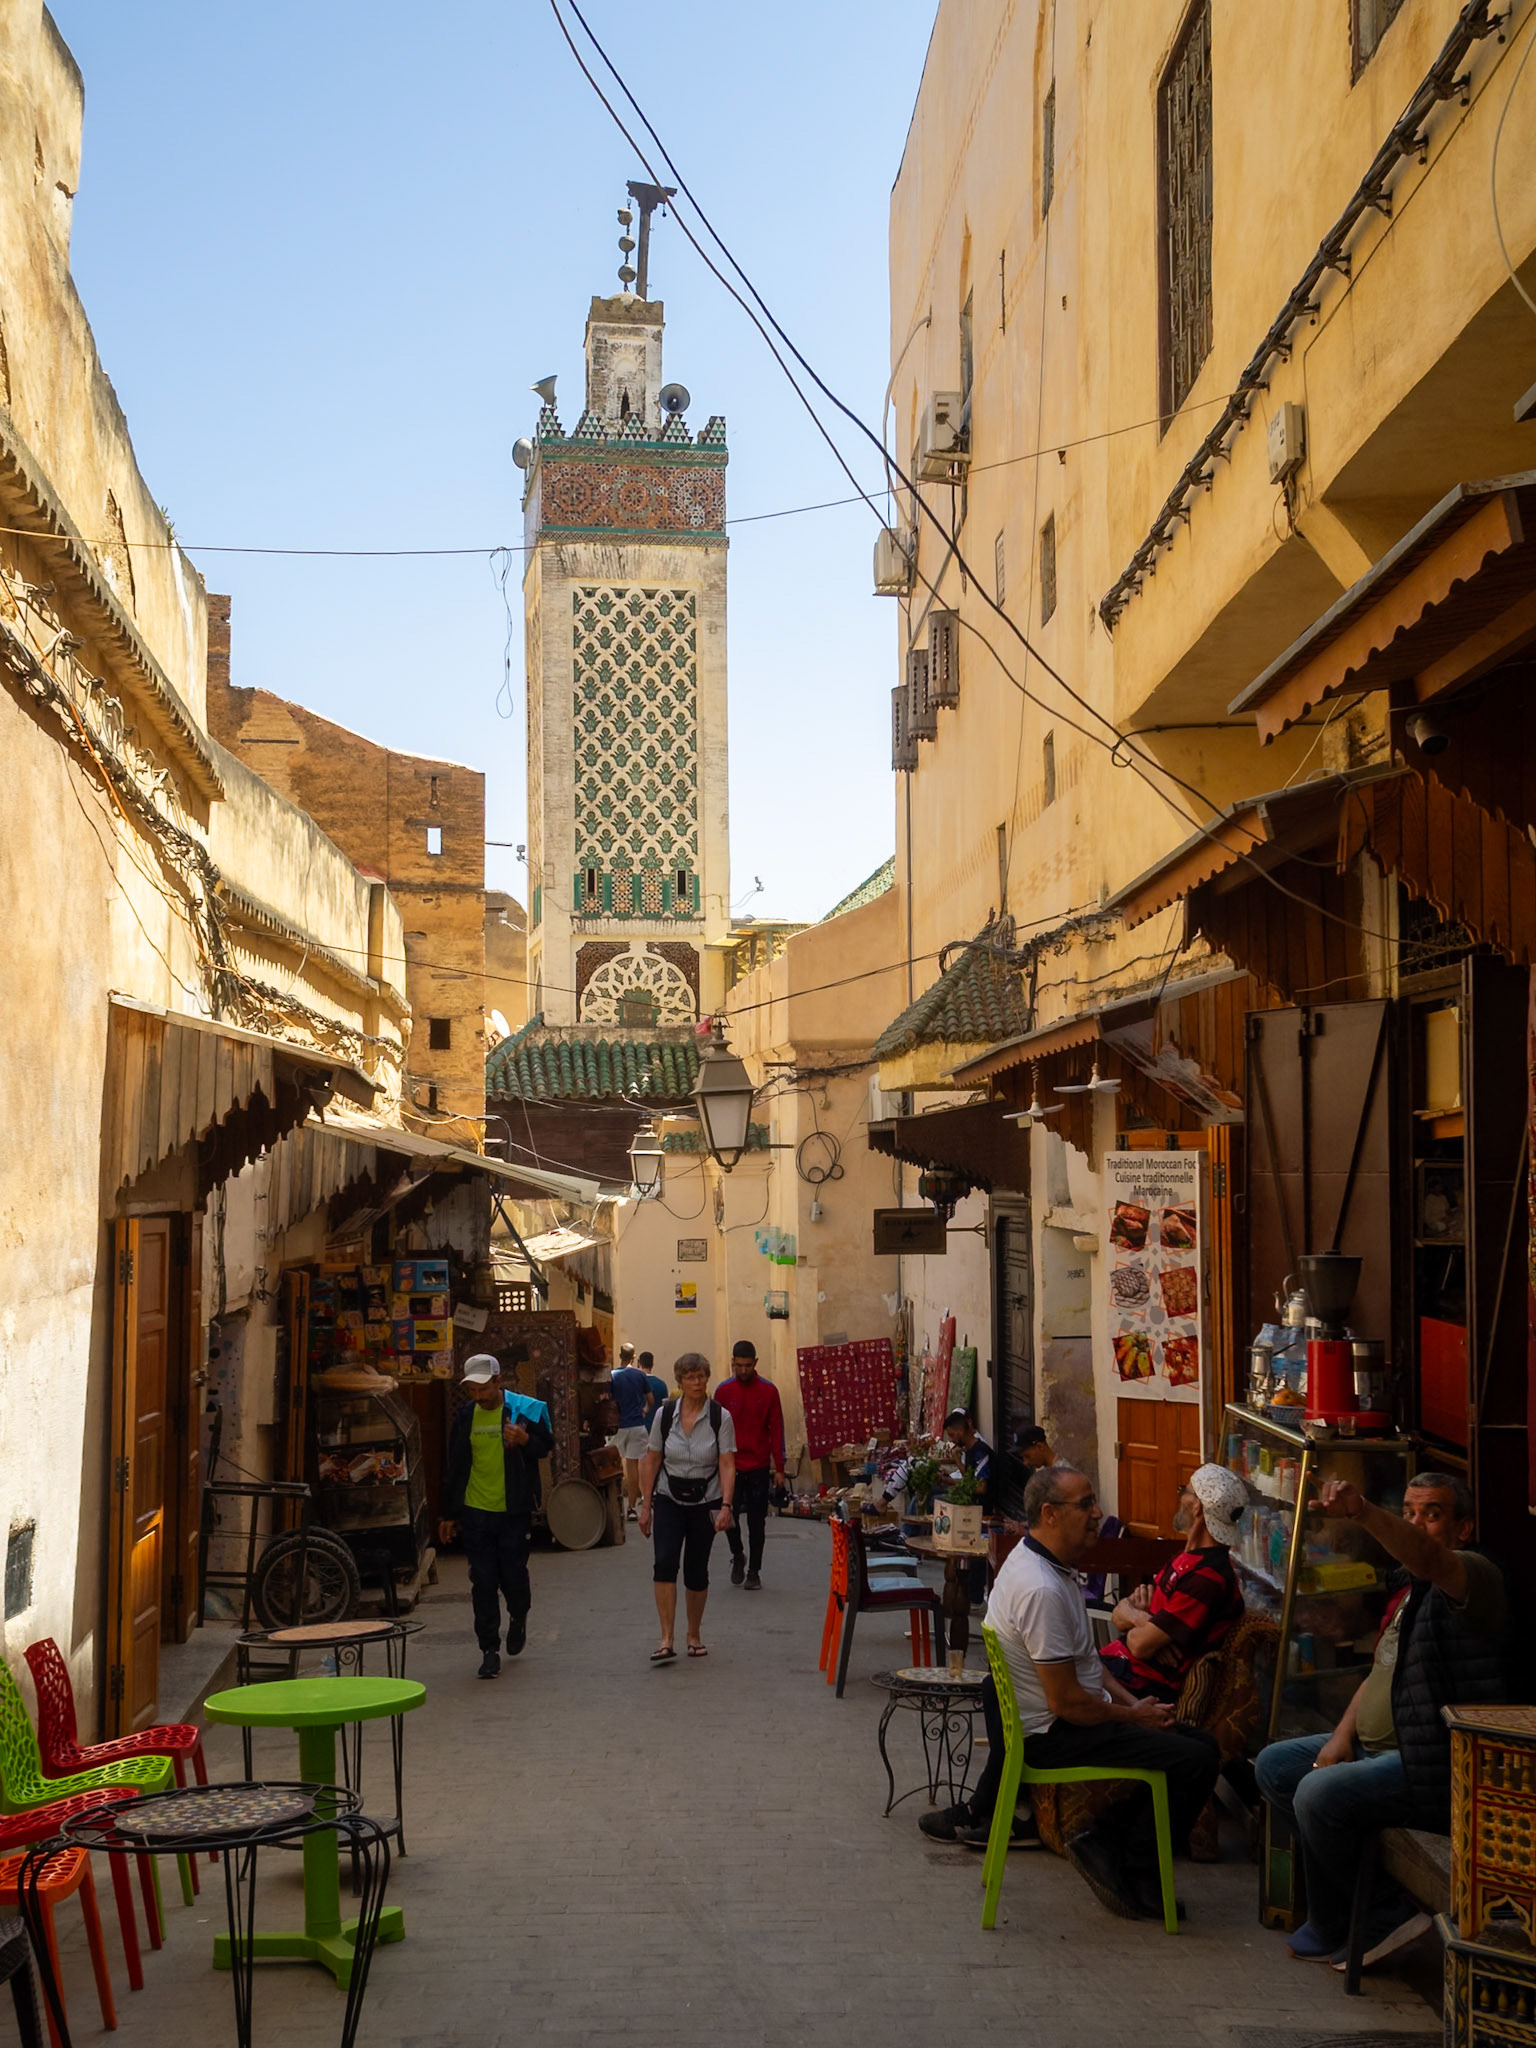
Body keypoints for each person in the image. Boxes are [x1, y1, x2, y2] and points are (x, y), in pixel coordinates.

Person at [926, 1463, 1220, 1919]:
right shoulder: (1040, 1589)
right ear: (1051, 1514)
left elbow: (1088, 1664)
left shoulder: (1041, 1564)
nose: (1097, 1512)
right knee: (1196, 1757)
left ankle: (1108, 1844)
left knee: (1196, 1743)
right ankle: (1130, 1867)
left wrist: (1132, 1703)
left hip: (1067, 1718)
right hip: (1055, 1734)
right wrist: (1132, 1717)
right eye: (1085, 1505)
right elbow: (1066, 1702)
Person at [1255, 1471, 1507, 1971]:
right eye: (1408, 1512)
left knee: (1318, 1794)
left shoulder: (1474, 1575)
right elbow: (1380, 1672)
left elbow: (1431, 1558)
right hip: (1375, 1751)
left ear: (1463, 1529)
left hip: (1432, 1764)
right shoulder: (1408, 1590)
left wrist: (1362, 1512)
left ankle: (1367, 1916)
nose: (1415, 1524)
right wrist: (1342, 1737)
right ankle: (1365, 1904)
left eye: (1431, 1515)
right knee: (1275, 1766)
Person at [439, 1354, 554, 1679]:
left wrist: (526, 1440)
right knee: (483, 1582)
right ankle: (489, 1649)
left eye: (483, 1389)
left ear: (498, 1382)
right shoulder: (465, 1417)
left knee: (513, 1576)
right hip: (477, 1512)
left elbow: (546, 1446)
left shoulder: (521, 1411)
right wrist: (449, 1513)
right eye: (473, 1390)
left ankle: (518, 1617)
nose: (478, 1396)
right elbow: (457, 1465)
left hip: (513, 1511)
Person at [1099, 1464, 1247, 1702]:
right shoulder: (1187, 1559)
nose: (1180, 1497)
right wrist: (1141, 1618)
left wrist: (1137, 1620)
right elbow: (1119, 1615)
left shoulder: (1207, 1579)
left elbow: (1138, 1644)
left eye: (1184, 1491)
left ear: (1197, 1506)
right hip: (1120, 1666)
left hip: (1140, 1684)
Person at [638, 1354, 736, 1661]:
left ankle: (693, 1634)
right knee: (665, 1561)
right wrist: (645, 1506)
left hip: (705, 1499)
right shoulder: (664, 1415)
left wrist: (726, 1505)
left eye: (701, 1377)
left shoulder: (721, 1417)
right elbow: (652, 1459)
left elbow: (727, 1463)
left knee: (696, 1568)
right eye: (690, 1378)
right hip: (669, 1497)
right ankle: (666, 1638)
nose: (697, 1383)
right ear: (680, 1381)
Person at [714, 1340, 785, 1590]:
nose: (743, 1370)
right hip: (731, 1464)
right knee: (728, 1515)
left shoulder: (768, 1391)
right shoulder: (722, 1392)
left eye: (747, 1365)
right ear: (732, 1363)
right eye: (739, 1365)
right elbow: (714, 1430)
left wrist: (780, 1468)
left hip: (758, 1465)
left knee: (757, 1521)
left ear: (755, 1363)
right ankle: (737, 1553)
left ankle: (754, 1571)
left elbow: (776, 1429)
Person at [608, 1341, 651, 1521]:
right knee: (633, 1467)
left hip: (618, 1426)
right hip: (636, 1425)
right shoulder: (640, 1376)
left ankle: (613, 1505)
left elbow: (607, 1399)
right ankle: (632, 1507)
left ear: (620, 1356)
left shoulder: (613, 1376)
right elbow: (650, 1399)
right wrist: (645, 1410)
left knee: (613, 1466)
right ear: (634, 1357)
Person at [639, 1350, 668, 1421]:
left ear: (639, 1363)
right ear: (652, 1364)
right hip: (655, 1423)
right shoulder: (661, 1384)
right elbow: (665, 1408)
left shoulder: (636, 1383)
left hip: (638, 1424)